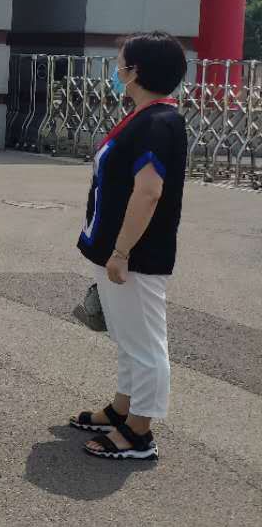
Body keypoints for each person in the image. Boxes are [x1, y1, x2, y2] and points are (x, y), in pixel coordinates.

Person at [70, 32, 189, 461]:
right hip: (115, 248)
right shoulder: (145, 116)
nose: (116, 68)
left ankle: (139, 432)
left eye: (120, 62)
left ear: (135, 71)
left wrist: (121, 252)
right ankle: (123, 407)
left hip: (136, 253)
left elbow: (149, 191)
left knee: (145, 343)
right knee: (126, 336)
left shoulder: (158, 123)